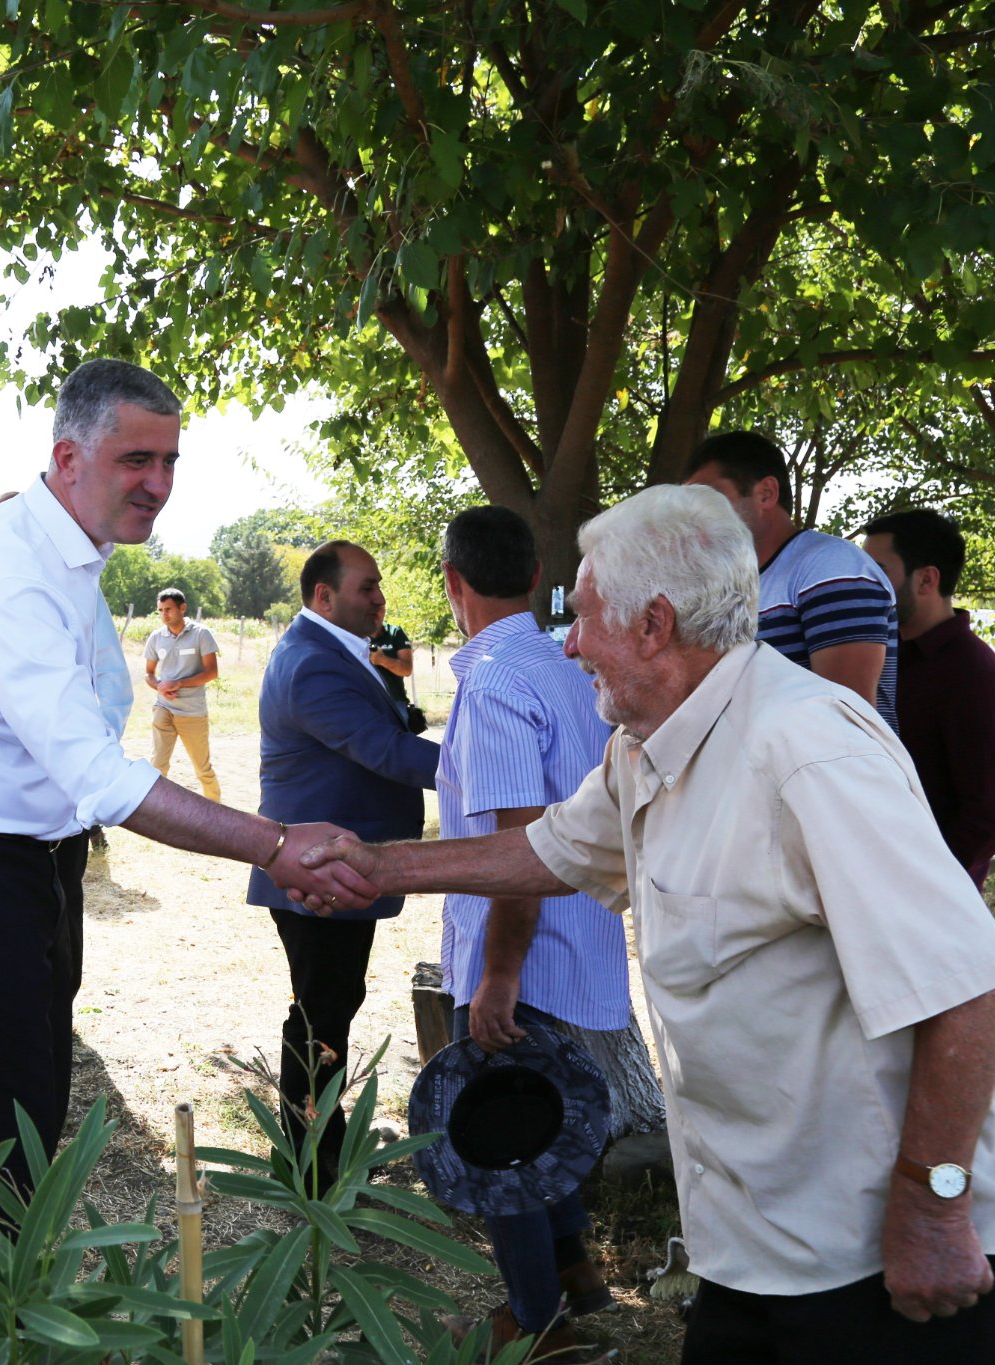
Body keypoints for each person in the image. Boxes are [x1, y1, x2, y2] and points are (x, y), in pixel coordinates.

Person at [301, 483, 995, 1365]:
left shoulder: (807, 748)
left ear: (654, 624)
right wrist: (376, 865)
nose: (568, 642)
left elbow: (968, 987)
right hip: (764, 1231)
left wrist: (934, 1203)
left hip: (879, 1237)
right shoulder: (647, 742)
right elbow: (547, 848)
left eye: (583, 615)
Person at [0, 358, 376, 1215]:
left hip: (38, 862)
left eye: (170, 460)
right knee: (7, 1140)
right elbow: (98, 774)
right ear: (67, 458)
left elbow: (100, 713)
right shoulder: (13, 571)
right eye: (136, 460)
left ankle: (12, 1281)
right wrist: (272, 843)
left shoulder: (73, 557)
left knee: (34, 1108)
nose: (159, 483)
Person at [433, 506, 622, 1357]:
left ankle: (536, 1321)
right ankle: (573, 1264)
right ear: (537, 574)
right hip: (573, 929)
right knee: (540, 1110)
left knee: (499, 1133)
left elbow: (518, 848)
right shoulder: (562, 662)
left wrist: (497, 974)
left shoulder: (495, 680)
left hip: (524, 947)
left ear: (453, 582)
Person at [248, 540, 442, 1186]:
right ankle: (308, 1168)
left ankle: (317, 1151)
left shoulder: (336, 650)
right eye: (367, 587)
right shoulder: (312, 664)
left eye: (379, 585)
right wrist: (485, 766)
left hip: (338, 867)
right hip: (317, 871)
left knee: (330, 1005)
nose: (380, 599)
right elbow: (384, 749)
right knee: (320, 1017)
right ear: (323, 596)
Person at [683, 431, 900, 731]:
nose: (694, 517)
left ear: (766, 494)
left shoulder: (831, 567)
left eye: (709, 498)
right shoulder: (726, 586)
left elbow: (847, 722)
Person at [860, 509, 995, 886]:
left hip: (921, 896)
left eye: (877, 572)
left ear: (926, 580)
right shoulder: (881, 654)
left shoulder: (978, 677)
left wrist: (917, 880)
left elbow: (992, 816)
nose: (863, 584)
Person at [144, 586, 222, 802]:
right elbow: (148, 673)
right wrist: (159, 686)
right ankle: (156, 811)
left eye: (168, 609)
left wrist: (178, 683)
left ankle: (215, 809)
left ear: (183, 608)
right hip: (163, 707)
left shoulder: (201, 634)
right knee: (157, 766)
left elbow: (212, 672)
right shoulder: (156, 637)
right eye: (160, 610)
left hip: (192, 712)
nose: (164, 614)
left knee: (202, 768)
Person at [368, 609, 425, 732]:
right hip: (366, 703)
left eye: (380, 608)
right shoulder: (353, 634)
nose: (376, 612)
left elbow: (407, 670)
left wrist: (382, 660)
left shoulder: (395, 632)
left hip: (396, 702)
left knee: (401, 740)